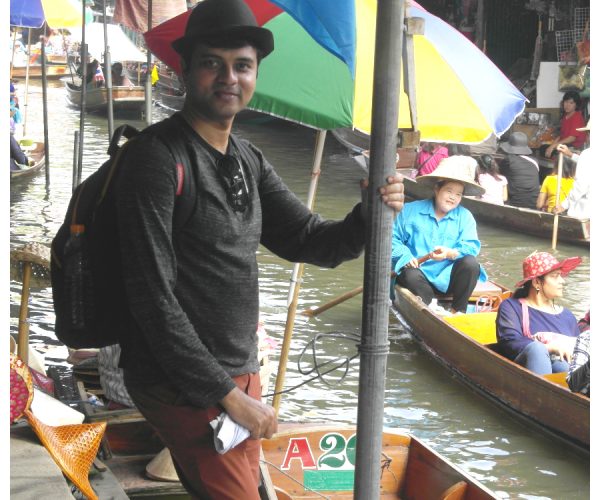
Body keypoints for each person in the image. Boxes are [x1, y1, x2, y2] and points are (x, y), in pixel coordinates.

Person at [112, 1, 404, 498]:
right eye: (212, 63)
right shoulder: (156, 160)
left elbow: (310, 240)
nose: (229, 77)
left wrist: (371, 212)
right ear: (186, 68)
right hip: (185, 384)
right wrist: (229, 398)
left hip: (235, 377)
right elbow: (151, 299)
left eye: (242, 65)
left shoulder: (247, 158)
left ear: (255, 73)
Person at [392, 157, 487, 314]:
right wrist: (406, 256)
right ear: (437, 189)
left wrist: (450, 253)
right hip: (418, 275)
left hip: (448, 277)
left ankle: (458, 311)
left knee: (471, 264)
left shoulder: (465, 216)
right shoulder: (410, 211)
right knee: (409, 275)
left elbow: (471, 246)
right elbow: (392, 239)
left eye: (458, 194)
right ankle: (432, 310)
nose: (453, 197)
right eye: (449, 191)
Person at [496, 251, 582, 375]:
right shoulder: (512, 307)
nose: (562, 281)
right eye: (555, 276)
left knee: (562, 365)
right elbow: (509, 343)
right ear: (536, 282)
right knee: (537, 348)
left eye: (561, 275)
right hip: (523, 372)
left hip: (566, 375)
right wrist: (549, 348)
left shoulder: (568, 316)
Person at [553, 120, 591, 219]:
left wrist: (564, 205)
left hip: (586, 212)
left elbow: (581, 186)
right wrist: (570, 154)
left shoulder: (587, 154)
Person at [498, 131, 540, 209]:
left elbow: (499, 175)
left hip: (514, 203)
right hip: (533, 203)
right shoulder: (535, 161)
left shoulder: (508, 161)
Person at [544, 91, 587, 158]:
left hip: (575, 149)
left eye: (571, 103)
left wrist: (553, 146)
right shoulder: (565, 117)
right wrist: (552, 145)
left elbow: (572, 138)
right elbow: (561, 136)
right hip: (566, 145)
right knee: (543, 148)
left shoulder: (577, 116)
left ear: (576, 105)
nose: (567, 105)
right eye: (566, 102)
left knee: (554, 155)